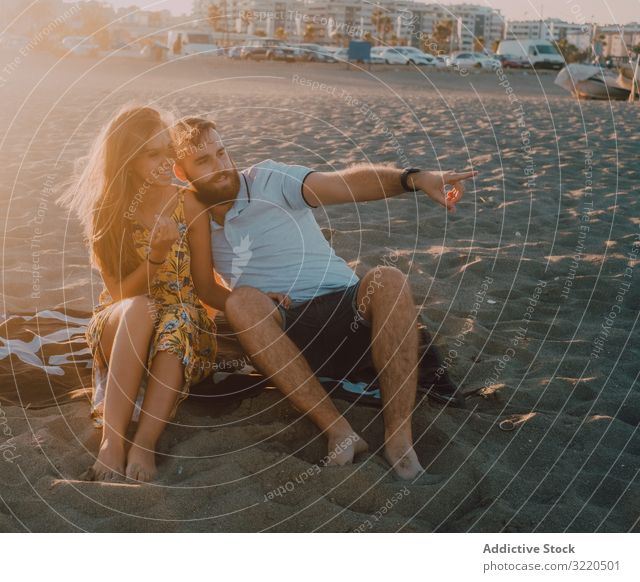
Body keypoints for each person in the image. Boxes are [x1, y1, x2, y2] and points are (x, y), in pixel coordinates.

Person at [172, 116, 477, 479]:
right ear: (181, 170)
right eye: (203, 161)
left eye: (222, 153)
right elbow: (203, 286)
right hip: (285, 328)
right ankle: (340, 432)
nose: (221, 167)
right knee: (240, 302)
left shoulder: (270, 179)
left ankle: (399, 440)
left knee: (389, 278)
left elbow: (345, 183)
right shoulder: (192, 213)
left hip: (347, 308)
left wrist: (413, 179)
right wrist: (251, 302)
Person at [57, 105, 229, 483]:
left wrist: (252, 302)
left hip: (182, 332)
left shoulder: (190, 204)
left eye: (168, 150)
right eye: (153, 154)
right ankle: (112, 443)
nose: (165, 160)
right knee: (140, 307)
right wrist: (155, 258)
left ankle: (145, 444)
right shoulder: (110, 211)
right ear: (128, 161)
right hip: (123, 326)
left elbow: (204, 287)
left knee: (178, 318)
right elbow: (116, 294)